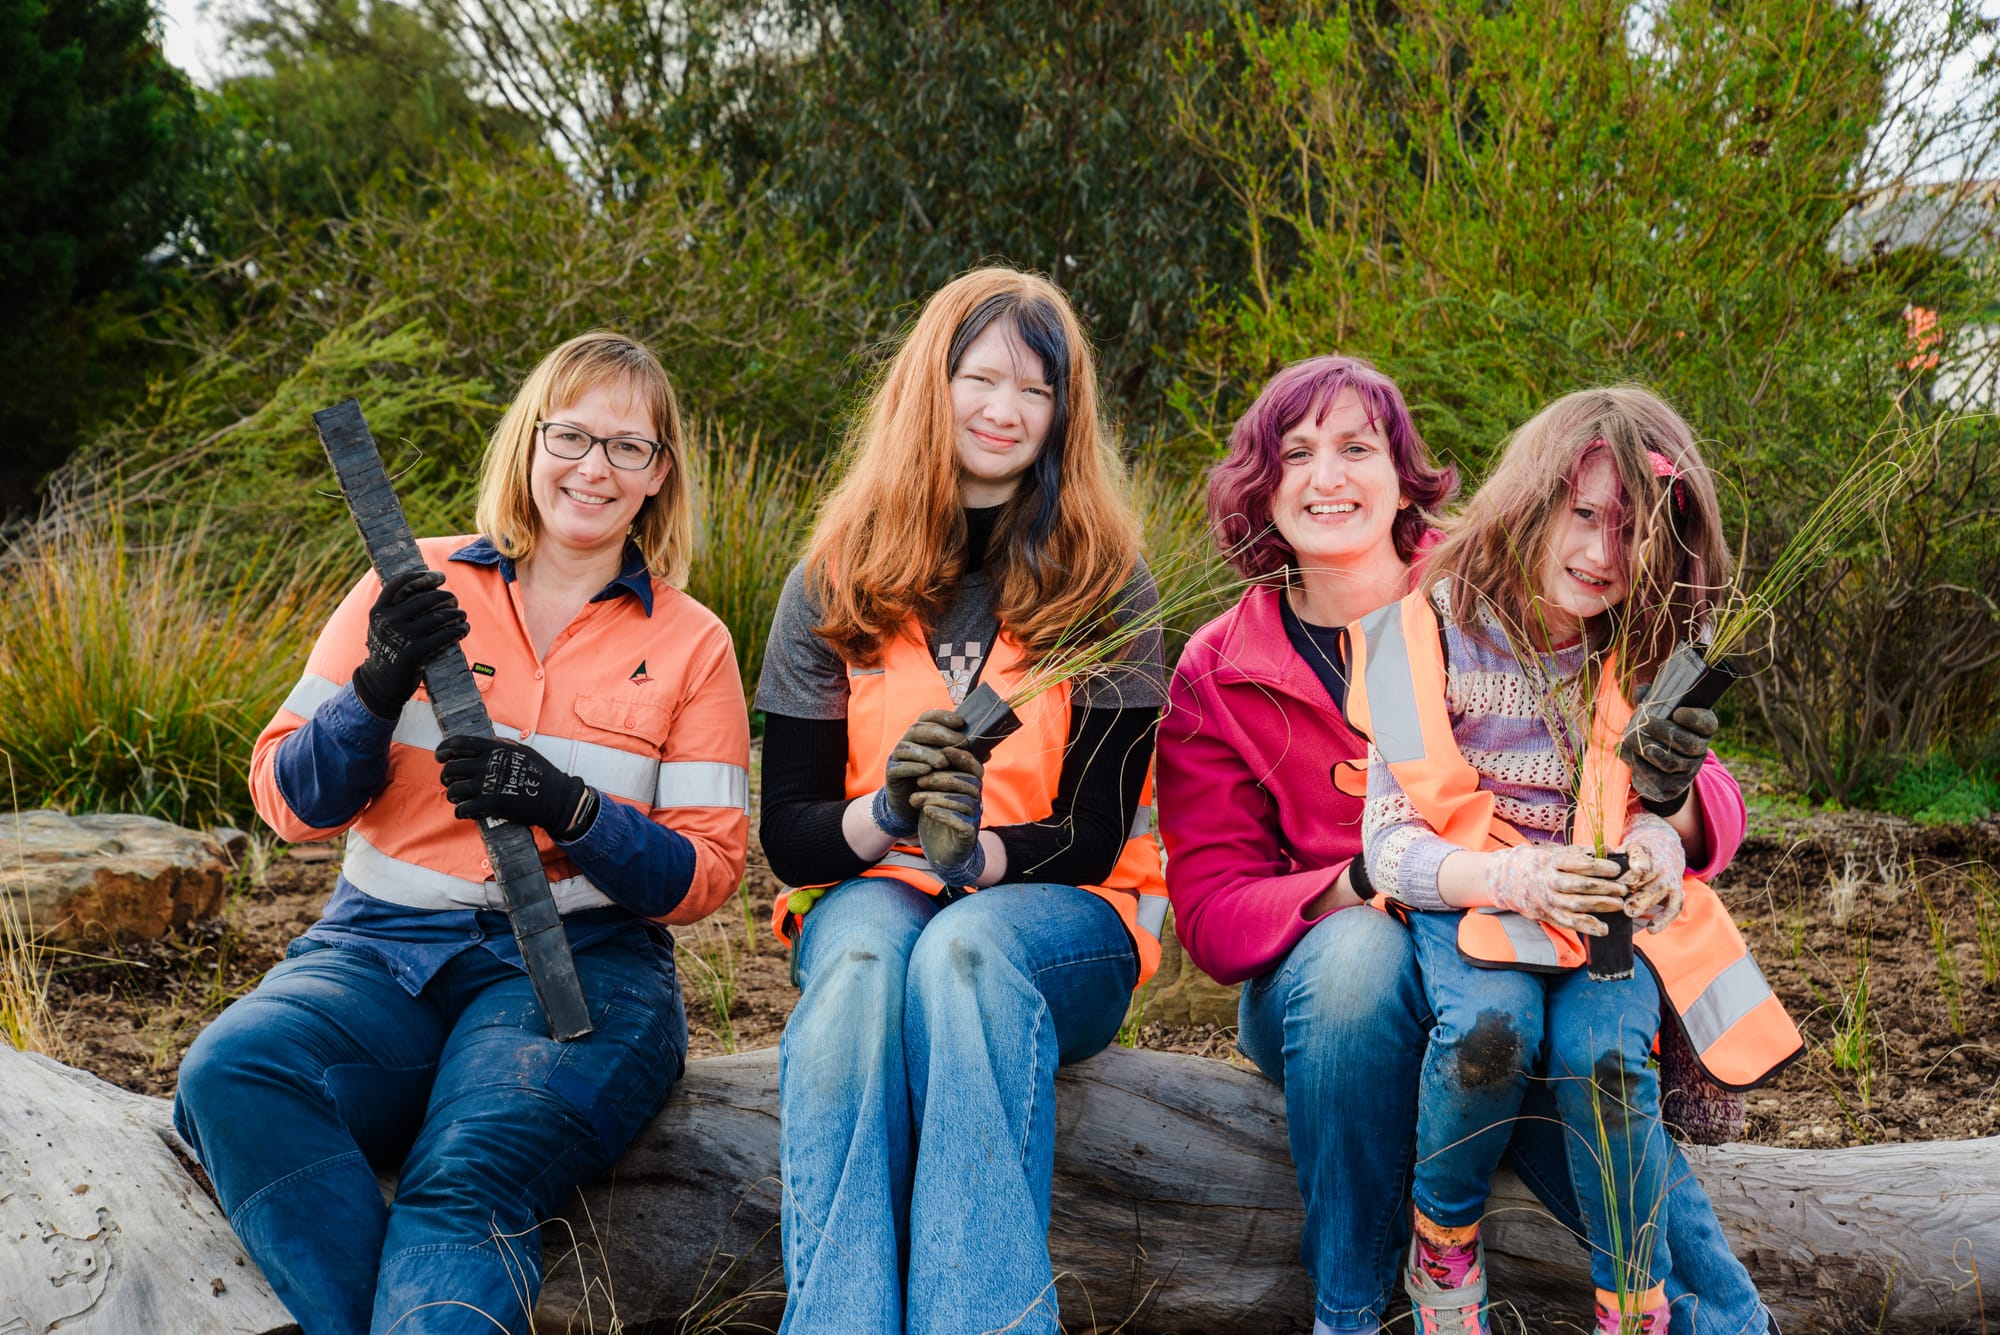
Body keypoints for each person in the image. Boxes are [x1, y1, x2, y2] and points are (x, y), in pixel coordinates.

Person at [1157, 357, 1780, 1335]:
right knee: (1366, 956)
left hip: (1514, 957)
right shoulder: (1221, 666)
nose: (1328, 476)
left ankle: (1718, 1320)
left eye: (1356, 447)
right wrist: (1375, 880)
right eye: (1297, 454)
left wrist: (1665, 812)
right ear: (1261, 486)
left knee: (1574, 1058)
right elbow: (1210, 914)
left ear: (1404, 473)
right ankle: (1352, 1312)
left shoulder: (1511, 583)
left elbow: (1691, 792)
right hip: (1344, 997)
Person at [173, 331, 751, 1335]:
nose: (595, 468)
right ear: (530, 442)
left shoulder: (693, 642)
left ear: (659, 474)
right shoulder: (410, 587)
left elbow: (706, 873)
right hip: (376, 952)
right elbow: (287, 803)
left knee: (466, 1174)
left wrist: (574, 810)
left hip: (582, 967)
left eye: (629, 447)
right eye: (571, 436)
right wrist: (374, 687)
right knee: (234, 1072)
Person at [755, 266, 1168, 1335]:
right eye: (980, 378)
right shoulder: (833, 580)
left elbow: (1094, 835)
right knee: (857, 967)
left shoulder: (1108, 584)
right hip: (873, 892)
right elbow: (790, 835)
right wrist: (889, 815)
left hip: (1062, 919)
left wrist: (978, 858)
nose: (1003, 410)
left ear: (1064, 415)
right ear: (927, 387)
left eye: (1035, 390)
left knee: (964, 951)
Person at [1348, 384, 1803, 1334]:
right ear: (1530, 500)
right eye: (1584, 515)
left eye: (1633, 533)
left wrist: (1655, 846)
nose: (1603, 554)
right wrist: (1512, 876)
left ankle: (1634, 1301)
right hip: (1476, 905)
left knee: (1605, 1058)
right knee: (1494, 1030)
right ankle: (1443, 1244)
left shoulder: (1648, 642)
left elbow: (1671, 806)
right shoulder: (1419, 632)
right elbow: (1386, 846)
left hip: (1602, 926)